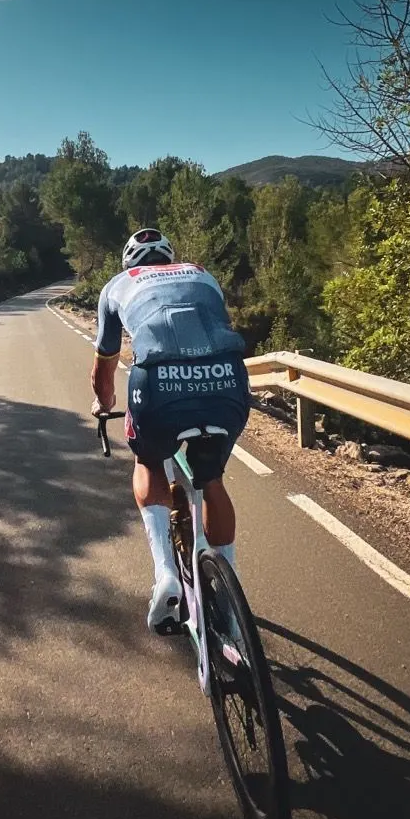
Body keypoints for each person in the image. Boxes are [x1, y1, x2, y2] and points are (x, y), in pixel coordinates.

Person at [91, 228, 250, 632]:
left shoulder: (117, 285)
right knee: (211, 477)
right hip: (226, 378)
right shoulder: (202, 273)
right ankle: (231, 597)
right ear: (170, 258)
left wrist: (104, 404)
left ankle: (165, 573)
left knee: (148, 460)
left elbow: (105, 366)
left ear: (129, 262)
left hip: (159, 387)